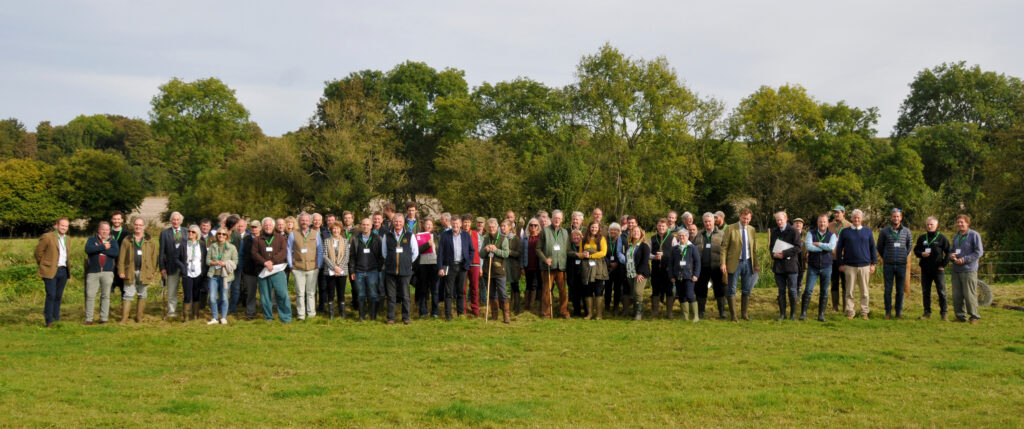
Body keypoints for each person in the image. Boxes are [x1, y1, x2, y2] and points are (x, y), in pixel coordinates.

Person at [836, 209, 876, 320]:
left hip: (865, 266)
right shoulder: (845, 232)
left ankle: (864, 312)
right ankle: (850, 311)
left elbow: (873, 248)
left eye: (858, 217)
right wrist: (840, 263)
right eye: (854, 217)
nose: (856, 219)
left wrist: (873, 264)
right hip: (849, 266)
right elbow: (839, 249)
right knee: (849, 291)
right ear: (852, 218)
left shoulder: (867, 232)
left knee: (864, 291)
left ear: (861, 219)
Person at [719, 208, 758, 321]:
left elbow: (753, 249)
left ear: (750, 219)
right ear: (740, 217)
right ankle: (734, 316)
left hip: (748, 262)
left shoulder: (752, 229)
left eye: (748, 219)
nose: (745, 220)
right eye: (744, 218)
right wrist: (723, 263)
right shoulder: (730, 228)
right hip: (734, 263)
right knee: (732, 289)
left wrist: (756, 263)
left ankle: (744, 314)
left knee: (746, 289)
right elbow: (724, 247)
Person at [118, 217, 158, 323]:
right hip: (129, 271)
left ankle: (139, 317)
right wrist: (121, 270)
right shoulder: (127, 240)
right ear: (133, 226)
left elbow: (154, 258)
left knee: (142, 293)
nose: (138, 227)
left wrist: (152, 271)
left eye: (140, 225)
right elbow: (121, 257)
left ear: (144, 227)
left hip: (145, 272)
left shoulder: (150, 241)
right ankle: (124, 318)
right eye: (136, 224)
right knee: (128, 294)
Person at [876, 208, 913, 319]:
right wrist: (886, 256)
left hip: (901, 264)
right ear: (891, 217)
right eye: (894, 216)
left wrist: (903, 256)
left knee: (900, 290)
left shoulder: (907, 231)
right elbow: (880, 246)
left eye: (897, 216)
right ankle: (888, 312)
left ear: (901, 218)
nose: (895, 218)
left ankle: (898, 312)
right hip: (888, 265)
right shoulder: (884, 231)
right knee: (888, 290)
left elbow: (909, 245)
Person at [253, 217, 291, 323]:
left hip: (278, 270)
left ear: (273, 226)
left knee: (282, 294)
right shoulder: (257, 239)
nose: (268, 226)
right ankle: (268, 317)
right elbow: (254, 253)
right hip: (263, 270)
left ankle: (286, 317)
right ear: (262, 227)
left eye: (270, 225)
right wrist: (265, 262)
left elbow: (283, 252)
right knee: (265, 296)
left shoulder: (280, 238)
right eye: (266, 225)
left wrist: (272, 261)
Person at [36, 218, 72, 327]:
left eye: (66, 226)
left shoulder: (68, 238)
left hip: (63, 270)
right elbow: (38, 252)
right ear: (57, 225)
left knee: (58, 296)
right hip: (50, 270)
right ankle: (49, 320)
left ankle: (56, 318)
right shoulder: (48, 237)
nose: (64, 228)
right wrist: (44, 264)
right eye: (62, 225)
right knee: (51, 295)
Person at [382, 214, 418, 325]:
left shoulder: (409, 235)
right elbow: (384, 253)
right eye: (396, 221)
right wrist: (390, 262)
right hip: (390, 271)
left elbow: (415, 252)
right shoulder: (387, 236)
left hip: (405, 271)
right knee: (391, 296)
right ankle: (391, 318)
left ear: (403, 223)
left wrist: (407, 263)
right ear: (393, 222)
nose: (398, 224)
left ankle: (406, 318)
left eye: (400, 221)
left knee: (405, 296)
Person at [913, 216, 951, 320]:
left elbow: (948, 252)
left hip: (938, 269)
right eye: (927, 225)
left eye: (931, 225)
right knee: (926, 292)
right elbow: (916, 250)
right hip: (925, 269)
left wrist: (943, 265)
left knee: (941, 292)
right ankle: (927, 313)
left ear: (936, 225)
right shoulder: (922, 238)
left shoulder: (942, 238)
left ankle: (944, 313)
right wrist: (921, 254)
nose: (929, 226)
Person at [437, 215, 474, 321]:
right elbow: (440, 253)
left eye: (457, 223)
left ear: (460, 224)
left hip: (462, 266)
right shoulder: (445, 235)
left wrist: (468, 262)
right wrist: (440, 268)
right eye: (453, 223)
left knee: (461, 291)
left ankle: (460, 314)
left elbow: (472, 250)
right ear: (451, 224)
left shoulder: (466, 235)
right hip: (450, 266)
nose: (455, 225)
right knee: (448, 292)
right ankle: (448, 315)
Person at [288, 213, 323, 321]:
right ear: (299, 221)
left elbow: (320, 250)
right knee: (299, 293)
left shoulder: (315, 234)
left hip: (313, 268)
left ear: (310, 222)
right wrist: (291, 265)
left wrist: (319, 265)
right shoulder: (293, 234)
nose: (304, 222)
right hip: (298, 268)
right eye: (302, 220)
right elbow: (289, 250)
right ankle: (301, 315)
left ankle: (311, 313)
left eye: (306, 220)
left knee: (311, 293)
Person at [84, 221, 120, 325]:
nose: (105, 231)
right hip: (93, 272)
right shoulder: (92, 239)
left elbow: (115, 253)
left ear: (110, 231)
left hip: (107, 272)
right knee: (90, 295)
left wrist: (98, 249)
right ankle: (89, 319)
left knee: (105, 295)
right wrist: (103, 247)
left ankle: (104, 318)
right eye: (103, 229)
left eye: (107, 229)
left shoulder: (112, 241)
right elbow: (88, 249)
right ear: (99, 230)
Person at [950, 214, 984, 324]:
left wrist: (964, 260)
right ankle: (960, 316)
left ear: (967, 223)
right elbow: (952, 250)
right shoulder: (956, 237)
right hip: (956, 269)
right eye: (958, 222)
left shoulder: (974, 235)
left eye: (962, 222)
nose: (959, 224)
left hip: (969, 270)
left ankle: (974, 317)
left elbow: (979, 252)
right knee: (957, 295)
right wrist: (952, 256)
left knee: (969, 295)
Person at [804, 214, 838, 322]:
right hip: (813, 266)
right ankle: (803, 313)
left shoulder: (832, 235)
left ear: (828, 223)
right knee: (808, 290)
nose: (822, 224)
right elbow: (808, 246)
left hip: (827, 266)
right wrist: (824, 247)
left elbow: (832, 247)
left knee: (824, 291)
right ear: (817, 223)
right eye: (820, 222)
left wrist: (818, 244)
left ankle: (821, 314)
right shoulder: (810, 233)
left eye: (824, 222)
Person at [537, 210, 570, 319]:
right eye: (555, 218)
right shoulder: (544, 231)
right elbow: (538, 249)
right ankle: (546, 313)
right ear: (551, 218)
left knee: (563, 291)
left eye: (559, 218)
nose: (557, 220)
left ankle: (564, 311)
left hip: (561, 267)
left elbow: (567, 249)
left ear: (562, 220)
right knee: (547, 290)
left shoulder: (565, 232)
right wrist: (545, 259)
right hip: (548, 267)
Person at [349, 218, 383, 321]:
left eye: (367, 225)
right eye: (363, 225)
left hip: (373, 271)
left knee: (373, 294)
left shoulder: (377, 238)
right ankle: (361, 316)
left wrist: (378, 268)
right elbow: (352, 257)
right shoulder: (355, 238)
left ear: (371, 226)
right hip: (359, 271)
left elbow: (382, 255)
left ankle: (373, 316)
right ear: (360, 226)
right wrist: (352, 271)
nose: (365, 226)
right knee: (360, 294)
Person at [769, 211, 801, 321]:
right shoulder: (774, 232)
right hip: (779, 267)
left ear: (786, 218)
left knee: (792, 290)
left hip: (791, 266)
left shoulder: (794, 231)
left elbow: (798, 247)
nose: (779, 222)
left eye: (781, 220)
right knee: (781, 290)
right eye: (777, 220)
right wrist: (773, 255)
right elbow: (771, 247)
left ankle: (793, 315)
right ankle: (782, 314)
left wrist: (784, 254)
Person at [693, 213, 725, 319]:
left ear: (713, 221)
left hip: (717, 266)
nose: (708, 223)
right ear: (703, 222)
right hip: (702, 267)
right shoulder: (698, 235)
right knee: (701, 289)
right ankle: (701, 311)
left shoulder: (721, 234)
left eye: (709, 221)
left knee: (719, 289)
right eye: (705, 221)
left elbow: (726, 249)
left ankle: (722, 312)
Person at [480, 218, 512, 323]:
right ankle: (494, 315)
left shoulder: (503, 239)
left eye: (493, 227)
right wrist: (486, 250)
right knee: (492, 293)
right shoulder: (485, 239)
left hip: (499, 271)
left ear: (497, 227)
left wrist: (495, 250)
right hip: (487, 271)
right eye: (489, 227)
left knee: (502, 293)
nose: (491, 228)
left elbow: (506, 254)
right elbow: (481, 254)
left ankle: (506, 315)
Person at [158, 212, 188, 320]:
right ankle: (171, 311)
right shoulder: (165, 233)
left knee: (187, 290)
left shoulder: (186, 232)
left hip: (185, 266)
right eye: (174, 219)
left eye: (178, 219)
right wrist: (162, 267)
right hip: (170, 266)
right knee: (171, 291)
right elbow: (161, 252)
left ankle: (186, 312)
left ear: (181, 221)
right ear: (171, 220)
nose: (175, 221)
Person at [578, 220, 609, 320]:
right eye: (592, 227)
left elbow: (603, 253)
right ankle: (589, 314)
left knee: (598, 290)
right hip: (587, 267)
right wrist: (584, 255)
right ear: (589, 228)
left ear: (598, 228)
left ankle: (599, 314)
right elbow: (580, 253)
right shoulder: (583, 240)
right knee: (588, 290)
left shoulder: (602, 239)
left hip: (599, 266)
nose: (594, 229)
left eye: (596, 227)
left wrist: (591, 255)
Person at [206, 227, 237, 325]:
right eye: (219, 233)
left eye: (223, 234)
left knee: (224, 297)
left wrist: (225, 264)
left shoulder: (232, 247)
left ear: (227, 236)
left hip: (226, 276)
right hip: (213, 275)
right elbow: (207, 261)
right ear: (216, 235)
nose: (221, 235)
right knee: (212, 298)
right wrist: (214, 263)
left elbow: (236, 262)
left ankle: (223, 317)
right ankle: (214, 317)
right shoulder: (212, 246)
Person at [669, 227, 701, 322]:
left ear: (687, 236)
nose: (681, 237)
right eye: (679, 236)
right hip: (678, 276)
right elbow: (670, 264)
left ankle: (696, 316)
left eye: (683, 235)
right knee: (681, 295)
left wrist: (696, 275)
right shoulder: (675, 248)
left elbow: (697, 262)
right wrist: (671, 276)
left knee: (690, 295)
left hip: (689, 276)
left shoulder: (692, 248)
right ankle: (685, 317)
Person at [322, 221, 350, 319]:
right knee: (331, 292)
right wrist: (334, 267)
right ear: (331, 230)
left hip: (342, 271)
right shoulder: (326, 241)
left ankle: (342, 314)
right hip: (330, 271)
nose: (336, 230)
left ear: (341, 230)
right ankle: (331, 314)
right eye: (334, 228)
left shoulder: (345, 241)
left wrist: (339, 268)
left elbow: (346, 256)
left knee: (341, 292)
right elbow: (325, 256)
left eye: (337, 228)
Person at [182, 225, 207, 322]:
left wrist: (203, 272)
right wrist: (182, 268)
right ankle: (186, 316)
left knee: (196, 294)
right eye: (189, 231)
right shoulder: (184, 244)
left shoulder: (201, 244)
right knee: (187, 294)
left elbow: (204, 258)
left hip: (198, 272)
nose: (190, 233)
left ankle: (196, 314)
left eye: (193, 232)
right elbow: (178, 258)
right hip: (187, 272)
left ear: (197, 234)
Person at [625, 226, 651, 321]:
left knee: (638, 292)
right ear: (631, 234)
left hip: (641, 273)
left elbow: (644, 261)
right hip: (630, 273)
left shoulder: (644, 245)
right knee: (634, 293)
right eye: (634, 231)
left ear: (641, 233)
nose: (635, 233)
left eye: (637, 231)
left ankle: (639, 315)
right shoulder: (630, 246)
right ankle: (636, 312)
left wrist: (639, 273)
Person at [649, 218, 673, 318]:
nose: (661, 228)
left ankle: (669, 313)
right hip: (655, 269)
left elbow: (676, 253)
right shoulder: (653, 238)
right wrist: (653, 256)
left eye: (663, 226)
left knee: (669, 290)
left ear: (667, 227)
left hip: (668, 269)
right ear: (657, 227)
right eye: (659, 226)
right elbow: (648, 253)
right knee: (655, 290)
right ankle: (655, 311)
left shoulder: (672, 238)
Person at [414, 218, 438, 318]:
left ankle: (435, 311)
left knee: (434, 289)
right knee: (423, 288)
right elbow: (416, 250)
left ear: (433, 226)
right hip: (423, 265)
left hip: (434, 264)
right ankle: (423, 311)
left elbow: (440, 249)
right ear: (423, 225)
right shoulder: (418, 236)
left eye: (430, 224)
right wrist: (427, 245)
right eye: (427, 224)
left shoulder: (437, 236)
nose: (428, 226)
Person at [829, 205, 851, 312]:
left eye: (838, 212)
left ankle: (846, 307)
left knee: (846, 283)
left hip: (845, 259)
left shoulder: (849, 226)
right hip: (832, 259)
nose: (836, 214)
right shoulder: (830, 226)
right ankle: (835, 306)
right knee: (834, 282)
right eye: (835, 213)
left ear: (844, 213)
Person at [604, 222, 627, 316]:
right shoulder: (605, 240)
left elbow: (624, 252)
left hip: (619, 268)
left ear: (619, 231)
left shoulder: (622, 240)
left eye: (616, 230)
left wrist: (617, 263)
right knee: (608, 287)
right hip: (608, 267)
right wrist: (609, 263)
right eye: (611, 230)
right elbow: (603, 253)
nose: (613, 231)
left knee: (617, 288)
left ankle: (616, 307)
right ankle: (607, 305)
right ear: (609, 231)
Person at [241, 220, 262, 320]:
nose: (254, 229)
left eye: (256, 227)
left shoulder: (265, 238)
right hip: (249, 270)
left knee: (264, 293)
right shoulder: (246, 239)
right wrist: (242, 267)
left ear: (260, 228)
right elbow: (241, 254)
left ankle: (265, 313)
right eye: (253, 227)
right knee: (250, 293)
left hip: (263, 270)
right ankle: (250, 313)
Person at [521, 218, 542, 315]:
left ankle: (532, 306)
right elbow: (522, 253)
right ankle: (526, 305)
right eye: (531, 225)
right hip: (527, 265)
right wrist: (522, 267)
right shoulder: (525, 238)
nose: (533, 227)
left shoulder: (541, 238)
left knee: (534, 285)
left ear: (538, 227)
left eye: (535, 225)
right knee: (528, 285)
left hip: (538, 265)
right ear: (528, 226)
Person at [228, 217, 249, 315]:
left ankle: (232, 308)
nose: (238, 227)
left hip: (235, 265)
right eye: (237, 225)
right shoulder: (227, 233)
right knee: (232, 287)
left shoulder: (236, 235)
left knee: (235, 287)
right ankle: (229, 308)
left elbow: (240, 252)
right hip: (229, 264)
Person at [503, 219, 524, 315]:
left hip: (513, 267)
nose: (502, 228)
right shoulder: (501, 238)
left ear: (510, 227)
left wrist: (509, 252)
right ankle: (504, 307)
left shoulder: (516, 239)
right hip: (503, 266)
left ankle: (516, 308)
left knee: (515, 287)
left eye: (504, 226)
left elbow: (519, 253)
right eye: (501, 226)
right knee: (503, 287)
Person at [464, 214, 484, 316]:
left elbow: (480, 251)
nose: (466, 224)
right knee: (462, 288)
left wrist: (481, 267)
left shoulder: (476, 234)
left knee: (475, 287)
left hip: (475, 263)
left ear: (471, 223)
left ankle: (475, 308)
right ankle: (462, 309)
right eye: (465, 222)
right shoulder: (459, 233)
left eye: (468, 222)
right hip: (463, 264)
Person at [109, 211, 128, 301]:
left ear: (122, 220)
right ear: (111, 220)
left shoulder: (127, 234)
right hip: (109, 264)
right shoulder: (107, 232)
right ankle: (104, 312)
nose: (116, 221)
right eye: (114, 219)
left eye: (118, 219)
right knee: (107, 289)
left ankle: (124, 312)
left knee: (124, 290)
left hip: (122, 265)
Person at [567, 229, 585, 317]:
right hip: (572, 272)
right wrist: (576, 254)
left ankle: (586, 311)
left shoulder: (584, 246)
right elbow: (567, 253)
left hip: (583, 271)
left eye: (578, 235)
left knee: (584, 292)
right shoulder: (569, 246)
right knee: (574, 292)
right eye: (574, 235)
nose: (576, 237)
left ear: (581, 236)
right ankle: (576, 311)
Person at [792, 218, 806, 293]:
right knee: (792, 279)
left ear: (802, 225)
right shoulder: (789, 234)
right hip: (792, 260)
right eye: (796, 223)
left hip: (802, 260)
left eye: (800, 223)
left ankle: (798, 294)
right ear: (793, 225)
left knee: (800, 279)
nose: (798, 224)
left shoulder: (806, 235)